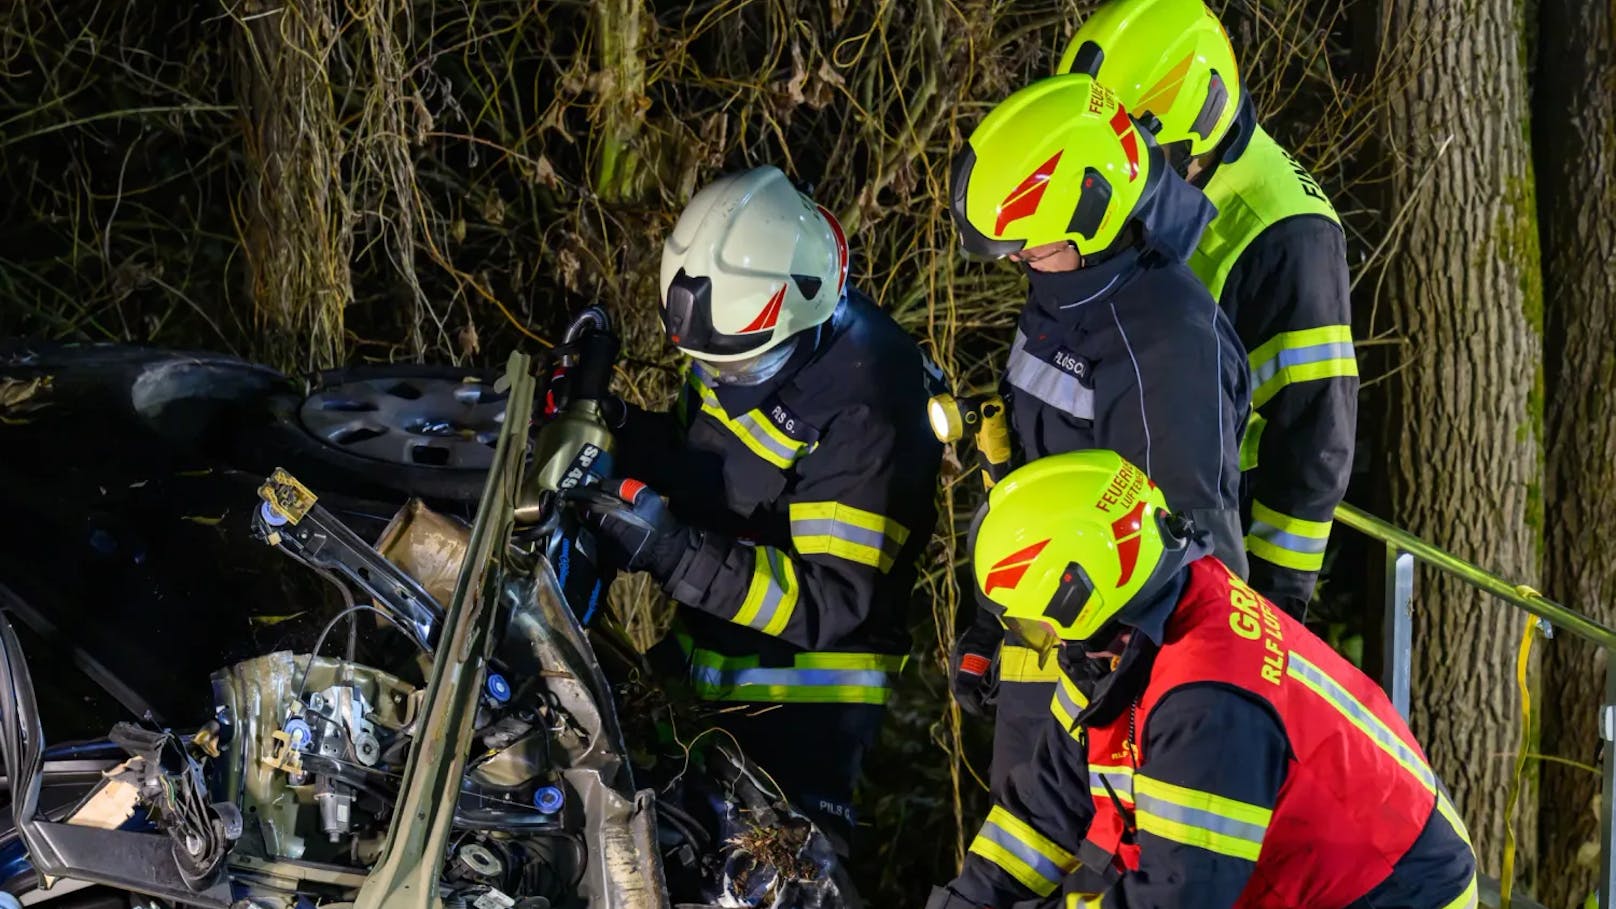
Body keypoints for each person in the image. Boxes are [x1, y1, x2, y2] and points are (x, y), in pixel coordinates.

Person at [928, 450, 1477, 909]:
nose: (1037, 640)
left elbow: (1177, 900)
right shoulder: (1123, 633)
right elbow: (1049, 803)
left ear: (1077, 593)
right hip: (1321, 872)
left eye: (1030, 623)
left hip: (1399, 893)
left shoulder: (1206, 702)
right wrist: (967, 903)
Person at [577, 165, 943, 852]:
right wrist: (618, 431)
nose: (721, 382)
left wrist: (671, 551)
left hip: (804, 719)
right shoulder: (744, 332)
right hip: (708, 678)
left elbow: (831, 603)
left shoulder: (873, 408)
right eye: (708, 366)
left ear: (804, 310)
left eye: (739, 370)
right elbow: (707, 465)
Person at [946, 72, 1249, 797]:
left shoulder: (1165, 340)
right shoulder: (1067, 290)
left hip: (1105, 700)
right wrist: (989, 622)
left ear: (1092, 207)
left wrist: (1147, 724)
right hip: (1043, 666)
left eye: (1029, 244)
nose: (1017, 259)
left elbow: (1189, 559)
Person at [1060, 0, 1359, 620]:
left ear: (1201, 116)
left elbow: (1316, 440)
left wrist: (1269, 610)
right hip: (1127, 510)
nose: (1121, 178)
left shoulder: (1287, 235)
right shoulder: (1185, 178)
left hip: (1215, 542)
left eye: (1141, 153)